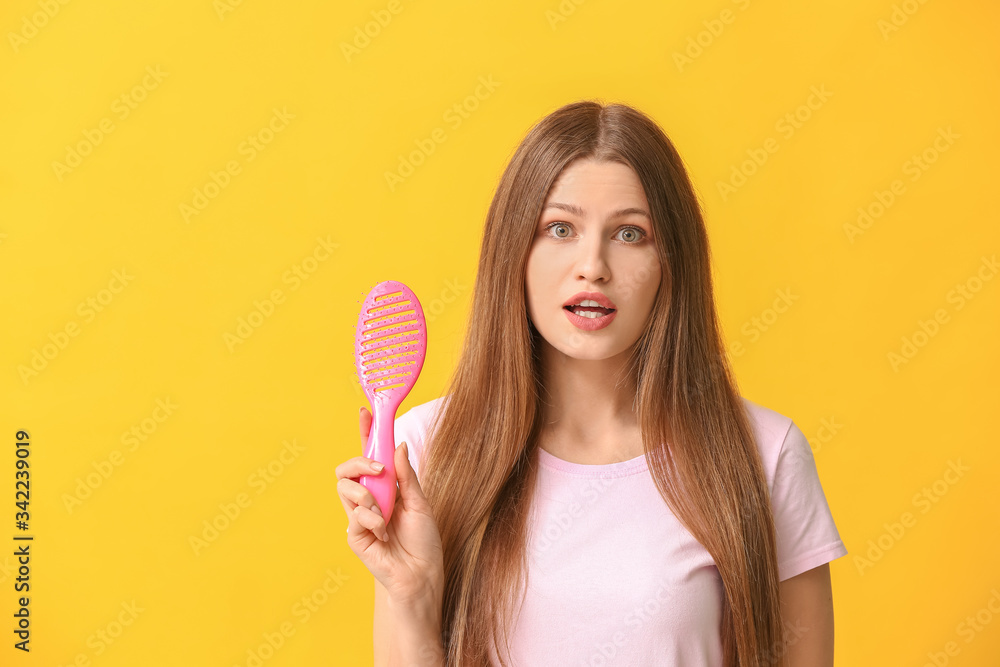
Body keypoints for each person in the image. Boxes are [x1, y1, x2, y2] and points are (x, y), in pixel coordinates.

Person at [335, 100, 848, 667]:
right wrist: (411, 594)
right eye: (560, 228)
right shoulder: (423, 451)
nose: (592, 265)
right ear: (515, 252)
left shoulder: (764, 453)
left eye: (630, 234)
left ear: (670, 262)